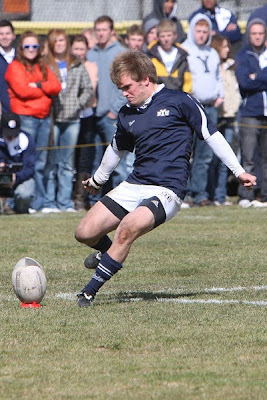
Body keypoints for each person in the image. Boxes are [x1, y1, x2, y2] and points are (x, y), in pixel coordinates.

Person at [74, 50, 256, 308]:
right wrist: (97, 180)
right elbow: (116, 148)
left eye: (127, 87)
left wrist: (239, 172)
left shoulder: (180, 101)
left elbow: (211, 134)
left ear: (145, 79)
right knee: (84, 232)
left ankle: (88, 292)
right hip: (135, 183)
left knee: (127, 228)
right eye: (120, 88)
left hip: (167, 190)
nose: (124, 93)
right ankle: (109, 254)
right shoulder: (128, 113)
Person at [5, 31, 61, 213]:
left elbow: (56, 87)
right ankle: (26, 203)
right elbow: (22, 91)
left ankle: (41, 203)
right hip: (26, 118)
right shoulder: (15, 66)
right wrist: (44, 92)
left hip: (44, 118)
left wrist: (37, 86)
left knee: (43, 161)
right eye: (27, 46)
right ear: (21, 48)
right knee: (26, 161)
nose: (31, 50)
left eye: (34, 46)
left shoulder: (42, 66)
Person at [42, 29, 93, 213]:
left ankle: (64, 202)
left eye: (62, 40)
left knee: (67, 163)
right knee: (50, 161)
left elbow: (88, 89)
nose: (59, 44)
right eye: (55, 41)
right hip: (52, 117)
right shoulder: (44, 63)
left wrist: (77, 105)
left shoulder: (77, 63)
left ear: (67, 42)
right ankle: (48, 202)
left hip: (72, 119)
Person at [182, 14, 224, 207]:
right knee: (185, 152)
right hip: (191, 107)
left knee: (205, 155)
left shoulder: (212, 53)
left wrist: (220, 95)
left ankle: (200, 193)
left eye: (205, 31)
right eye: (198, 31)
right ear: (192, 31)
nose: (201, 35)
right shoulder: (184, 50)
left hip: (209, 107)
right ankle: (184, 192)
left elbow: (218, 77)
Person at [86, 16, 127, 205]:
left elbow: (126, 84)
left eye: (104, 29)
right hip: (93, 116)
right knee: (97, 161)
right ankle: (96, 202)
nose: (101, 33)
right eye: (98, 30)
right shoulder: (91, 53)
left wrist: (114, 109)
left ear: (112, 31)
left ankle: (122, 201)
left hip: (112, 116)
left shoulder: (120, 53)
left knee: (117, 163)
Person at [235, 18, 267, 207]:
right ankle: (246, 196)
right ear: (249, 35)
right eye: (254, 33)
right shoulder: (243, 56)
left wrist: (258, 75)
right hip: (250, 113)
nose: (257, 37)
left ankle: (264, 195)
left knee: (266, 157)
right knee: (248, 157)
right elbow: (245, 82)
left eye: (260, 33)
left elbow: (253, 80)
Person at [209, 34, 241, 206]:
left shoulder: (231, 66)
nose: (228, 50)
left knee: (225, 159)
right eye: (224, 46)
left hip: (230, 115)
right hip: (217, 116)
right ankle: (209, 193)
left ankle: (220, 196)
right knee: (211, 159)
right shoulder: (214, 66)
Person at [71, 34, 98, 210]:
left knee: (85, 158)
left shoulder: (91, 66)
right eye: (76, 49)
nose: (79, 52)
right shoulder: (67, 65)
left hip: (87, 115)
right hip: (68, 117)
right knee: (68, 158)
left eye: (82, 49)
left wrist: (76, 102)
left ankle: (81, 197)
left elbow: (90, 91)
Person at [0, 112, 35, 214]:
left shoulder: (26, 140)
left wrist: (16, 177)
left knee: (24, 193)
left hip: (20, 178)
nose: (10, 136)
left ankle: (19, 210)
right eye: (7, 133)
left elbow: (30, 168)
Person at [146, 19, 191, 92]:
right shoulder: (151, 54)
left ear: (175, 36)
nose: (166, 39)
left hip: (178, 95)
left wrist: (186, 96)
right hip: (158, 96)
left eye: (169, 35)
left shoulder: (182, 54)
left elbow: (187, 80)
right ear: (157, 37)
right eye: (162, 36)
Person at [0, 20, 16, 115]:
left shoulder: (22, 58)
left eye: (7, 33)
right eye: (1, 34)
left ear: (13, 36)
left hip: (21, 113)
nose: (4, 37)